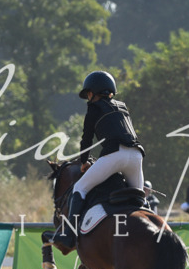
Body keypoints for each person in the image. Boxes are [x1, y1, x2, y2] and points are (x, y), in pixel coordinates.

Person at [52, 70, 145, 248]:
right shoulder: (123, 107)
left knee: (79, 188)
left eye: (88, 94)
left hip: (115, 155)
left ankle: (69, 235)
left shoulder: (93, 109)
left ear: (94, 92)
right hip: (136, 155)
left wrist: (84, 161)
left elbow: (86, 140)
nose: (88, 98)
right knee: (139, 198)